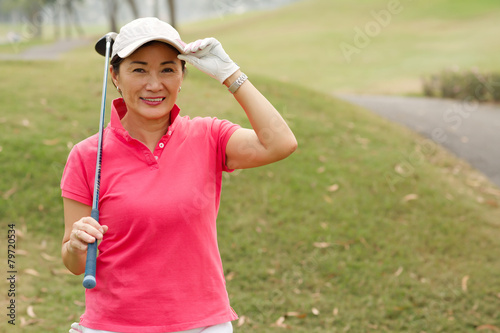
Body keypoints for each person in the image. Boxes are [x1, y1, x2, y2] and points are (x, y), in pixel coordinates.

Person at [61, 17, 297, 333]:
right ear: (115, 75)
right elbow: (74, 264)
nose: (154, 84)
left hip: (202, 325)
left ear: (183, 75)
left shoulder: (209, 135)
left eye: (168, 69)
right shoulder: (87, 155)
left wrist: (230, 75)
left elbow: (280, 143)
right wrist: (76, 245)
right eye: (139, 69)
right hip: (115, 326)